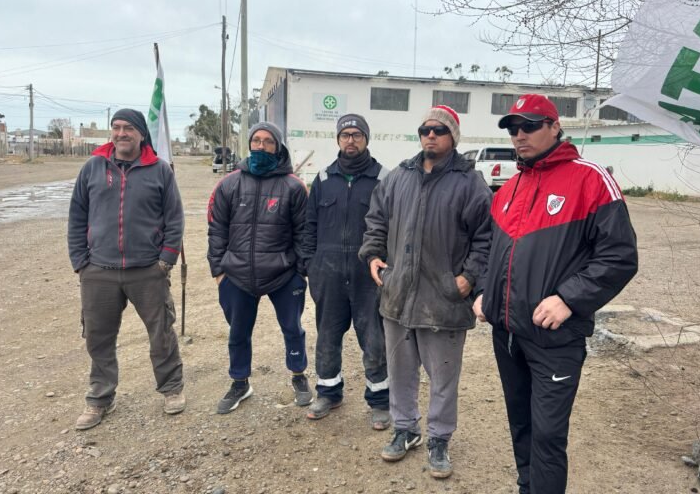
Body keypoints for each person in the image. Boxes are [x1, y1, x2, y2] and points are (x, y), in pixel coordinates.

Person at [473, 94, 638, 494]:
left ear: (554, 126)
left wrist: (568, 298)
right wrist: (483, 292)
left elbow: (620, 256)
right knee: (522, 426)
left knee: (548, 436)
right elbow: (490, 250)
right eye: (513, 128)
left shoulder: (589, 178)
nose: (519, 135)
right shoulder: (510, 186)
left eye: (529, 125)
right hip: (507, 334)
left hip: (555, 339)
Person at [359, 105, 492, 479]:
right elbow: (376, 221)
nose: (430, 134)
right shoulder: (399, 176)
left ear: (453, 137)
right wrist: (372, 255)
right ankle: (405, 429)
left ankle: (438, 438)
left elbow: (487, 237)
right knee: (400, 371)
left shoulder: (470, 182)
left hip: (445, 299)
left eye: (439, 129)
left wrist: (468, 276)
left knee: (443, 376)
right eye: (425, 129)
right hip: (398, 296)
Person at [68, 108, 185, 430]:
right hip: (99, 271)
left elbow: (174, 218)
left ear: (141, 134)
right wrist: (80, 262)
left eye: (128, 128)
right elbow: (78, 216)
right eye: (116, 127)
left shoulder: (159, 170)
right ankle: (99, 398)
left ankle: (171, 388)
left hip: (147, 270)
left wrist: (166, 259)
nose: (121, 133)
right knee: (98, 337)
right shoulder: (93, 167)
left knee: (161, 333)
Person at [207, 122, 312, 413]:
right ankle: (240, 382)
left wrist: (299, 273)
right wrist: (219, 271)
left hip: (283, 276)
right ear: (249, 144)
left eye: (268, 142)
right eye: (256, 140)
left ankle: (298, 375)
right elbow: (217, 230)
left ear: (278, 147)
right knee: (238, 332)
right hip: (237, 276)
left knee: (292, 328)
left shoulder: (293, 186)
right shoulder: (229, 183)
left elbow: (304, 233)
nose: (261, 146)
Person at [302, 114, 391, 430]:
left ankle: (380, 401)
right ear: (338, 140)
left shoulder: (384, 179)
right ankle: (328, 392)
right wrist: (310, 264)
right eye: (345, 135)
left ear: (366, 139)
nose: (350, 140)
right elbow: (309, 225)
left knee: (374, 338)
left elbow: (393, 228)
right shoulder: (324, 180)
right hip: (328, 272)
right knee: (327, 335)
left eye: (356, 134)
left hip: (369, 274)